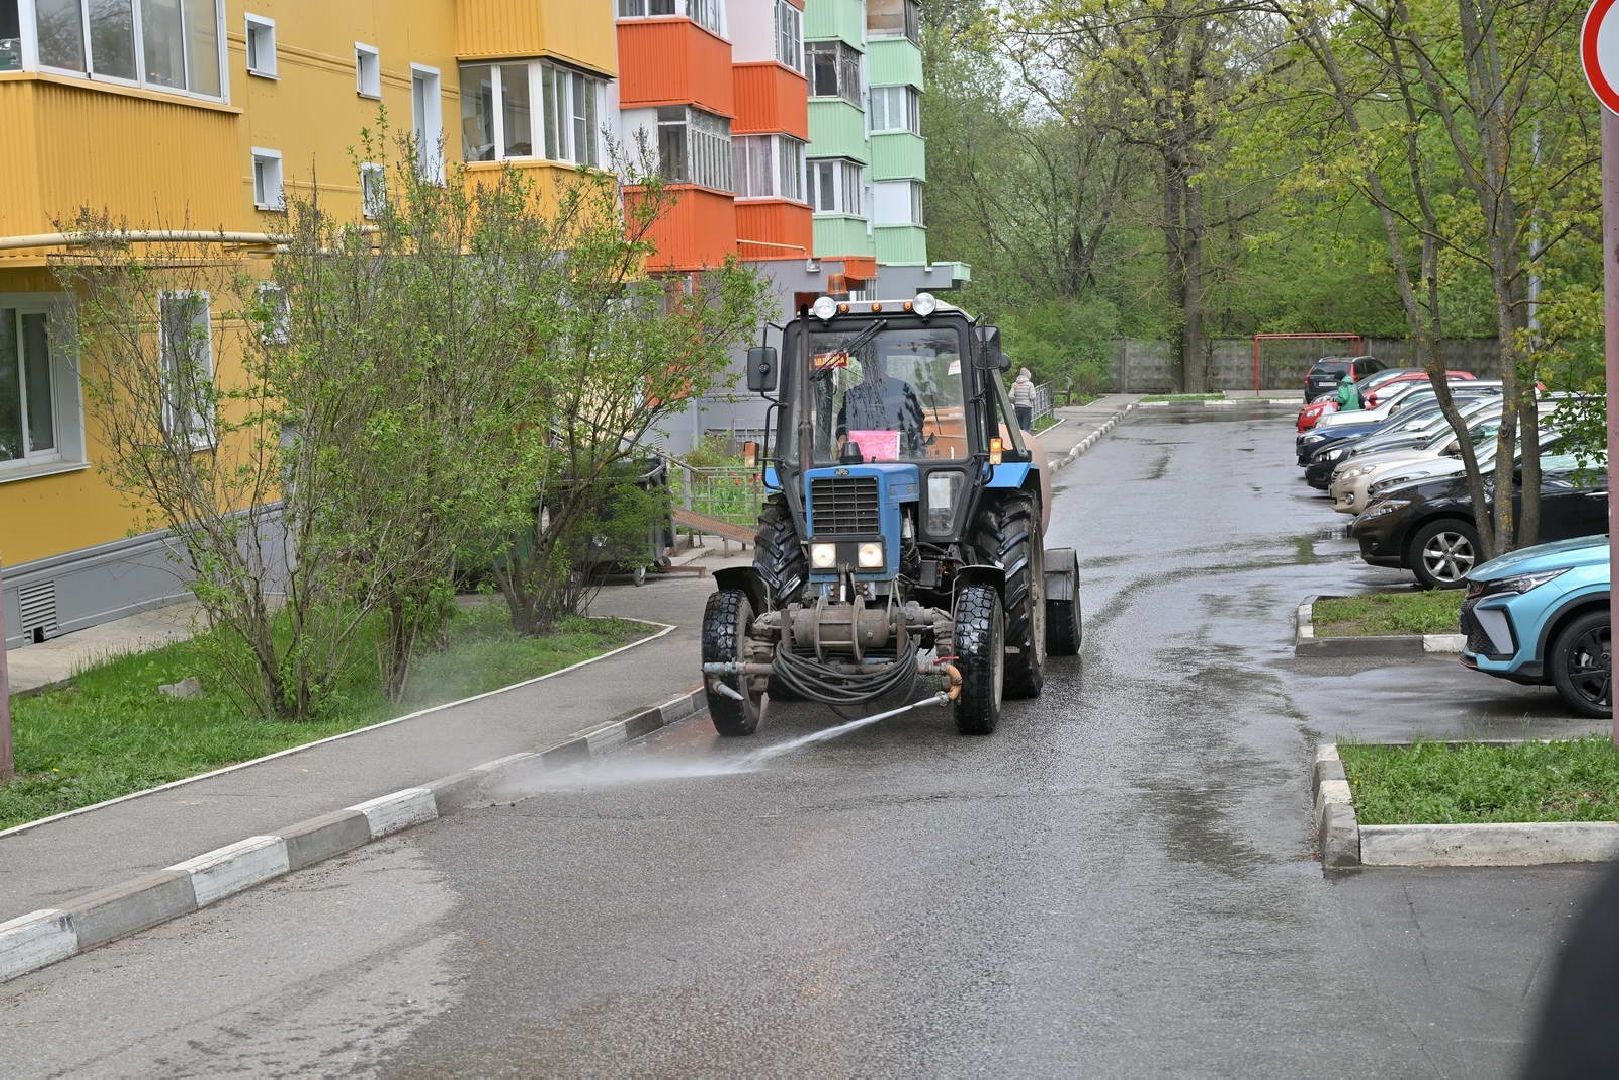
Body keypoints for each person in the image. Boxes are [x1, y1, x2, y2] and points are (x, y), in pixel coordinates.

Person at [835, 353, 926, 458]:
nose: (870, 369)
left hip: (901, 458)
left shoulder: (903, 389)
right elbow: (843, 421)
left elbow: (916, 423)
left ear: (884, 365)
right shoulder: (852, 395)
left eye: (875, 364)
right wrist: (842, 436)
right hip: (860, 460)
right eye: (866, 365)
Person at [1010, 367, 1036, 432]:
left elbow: (1010, 396)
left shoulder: (1014, 384)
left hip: (1017, 407)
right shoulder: (1030, 384)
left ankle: (1020, 438)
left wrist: (1015, 400)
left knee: (1019, 427)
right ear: (1028, 374)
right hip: (1027, 407)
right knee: (1026, 427)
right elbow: (1032, 397)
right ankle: (1026, 437)